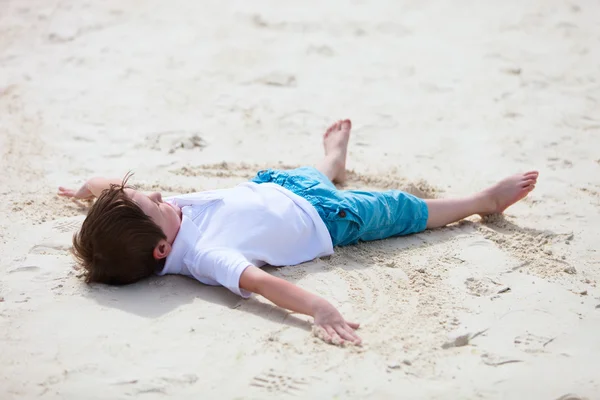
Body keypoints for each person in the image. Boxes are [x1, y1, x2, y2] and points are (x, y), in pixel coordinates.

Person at [58, 119, 538, 345]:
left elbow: (116, 188)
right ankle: (481, 202)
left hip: (280, 185)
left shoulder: (162, 221)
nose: (161, 196)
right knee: (401, 208)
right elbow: (263, 284)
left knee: (316, 172)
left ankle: (333, 162)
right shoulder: (204, 254)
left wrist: (89, 189)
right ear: (163, 249)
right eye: (153, 203)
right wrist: (320, 308)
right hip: (329, 219)